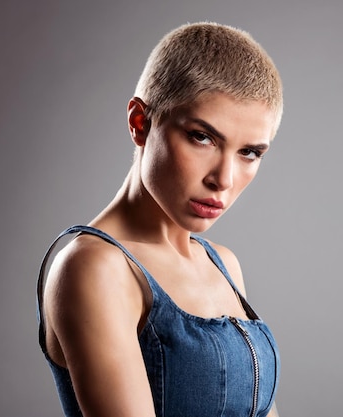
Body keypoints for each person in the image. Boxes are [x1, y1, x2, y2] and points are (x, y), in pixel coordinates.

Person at [37, 21, 283, 417]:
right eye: (202, 137)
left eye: (249, 153)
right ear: (141, 122)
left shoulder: (223, 265)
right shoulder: (95, 267)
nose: (223, 179)